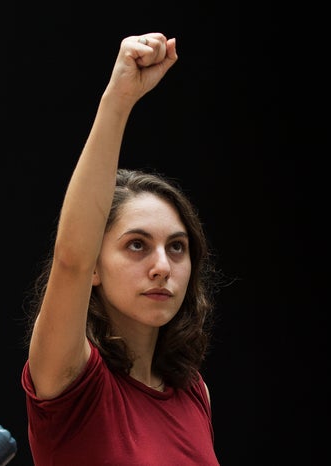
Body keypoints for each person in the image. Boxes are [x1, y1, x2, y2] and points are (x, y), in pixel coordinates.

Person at [21, 33, 220, 465]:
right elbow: (70, 259)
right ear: (95, 264)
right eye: (136, 245)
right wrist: (119, 99)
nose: (162, 266)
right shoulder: (70, 376)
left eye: (178, 248)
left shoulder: (193, 390)